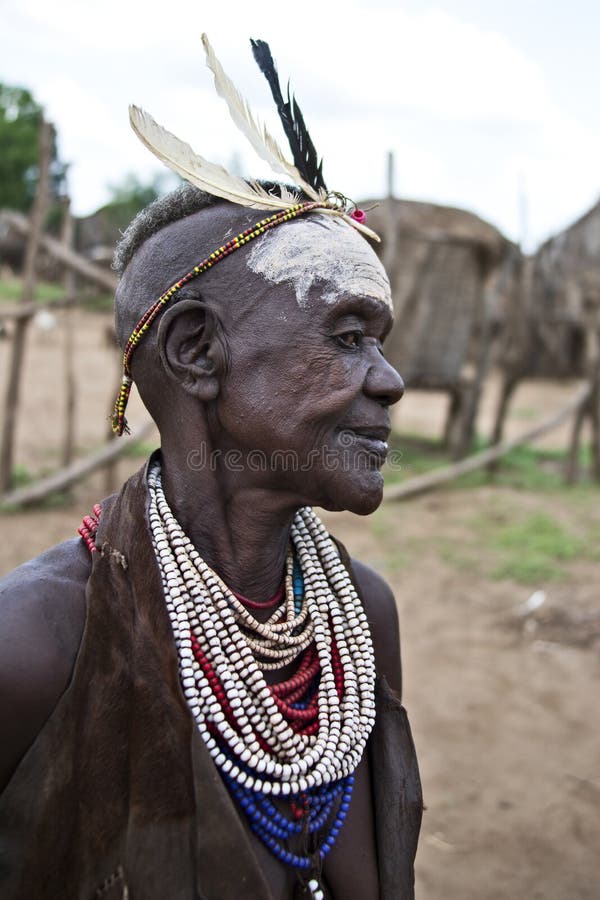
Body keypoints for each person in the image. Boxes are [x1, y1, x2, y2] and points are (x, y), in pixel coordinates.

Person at [0, 37, 422, 900]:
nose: (391, 380)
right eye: (347, 337)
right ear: (196, 351)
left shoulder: (363, 617)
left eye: (381, 342)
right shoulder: (37, 649)